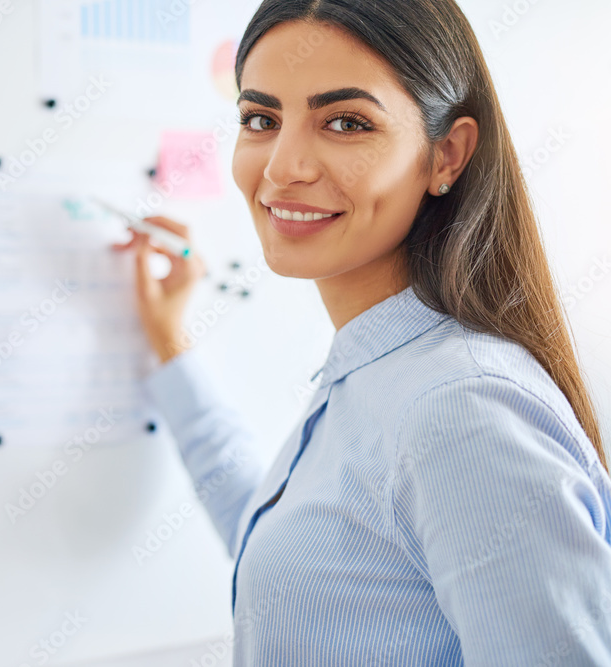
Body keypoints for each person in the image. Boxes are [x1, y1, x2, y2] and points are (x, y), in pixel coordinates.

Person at [111, 0, 611, 664]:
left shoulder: (459, 410)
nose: (284, 165)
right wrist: (171, 342)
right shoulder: (378, 367)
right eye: (261, 118)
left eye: (346, 122)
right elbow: (290, 561)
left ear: (447, 156)